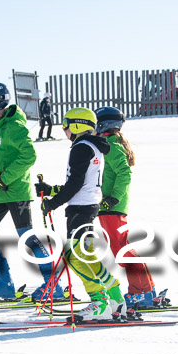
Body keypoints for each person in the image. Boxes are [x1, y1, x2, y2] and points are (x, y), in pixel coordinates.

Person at [35, 107, 129, 322]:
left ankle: (99, 303)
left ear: (77, 125)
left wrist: (53, 203)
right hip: (87, 206)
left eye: (66, 125)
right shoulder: (91, 146)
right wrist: (50, 190)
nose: (64, 130)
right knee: (84, 256)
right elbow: (79, 182)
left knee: (74, 257)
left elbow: (76, 184)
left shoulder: (81, 148)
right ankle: (115, 297)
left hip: (81, 208)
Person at [0, 82, 63, 301]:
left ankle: (54, 286)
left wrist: (4, 177)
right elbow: (4, 155)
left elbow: (29, 156)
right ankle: (4, 283)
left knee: (27, 237)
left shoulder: (15, 125)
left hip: (15, 192)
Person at [94, 106, 159, 309]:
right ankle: (144, 290)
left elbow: (125, 173)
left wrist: (113, 198)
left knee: (122, 251)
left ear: (104, 125)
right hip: (110, 207)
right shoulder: (110, 144)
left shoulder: (112, 145)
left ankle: (143, 293)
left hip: (112, 207)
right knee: (123, 250)